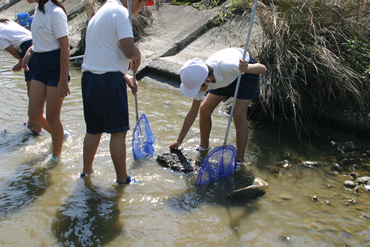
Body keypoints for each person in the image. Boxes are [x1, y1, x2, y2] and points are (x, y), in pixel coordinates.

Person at [80, 0, 155, 184]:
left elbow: (103, 54)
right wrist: (137, 56)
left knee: (93, 130)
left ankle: (86, 172)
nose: (142, 9)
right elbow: (129, 50)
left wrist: (125, 76)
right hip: (108, 83)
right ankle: (123, 180)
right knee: (119, 132)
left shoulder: (101, 12)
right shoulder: (121, 12)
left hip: (90, 80)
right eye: (143, 4)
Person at [169, 47, 267, 164]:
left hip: (244, 75)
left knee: (238, 116)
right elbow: (192, 113)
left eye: (197, 89)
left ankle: (239, 160)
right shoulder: (199, 77)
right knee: (204, 110)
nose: (197, 92)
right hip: (222, 80)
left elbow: (263, 68)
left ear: (207, 81)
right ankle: (204, 146)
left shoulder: (228, 66)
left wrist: (247, 68)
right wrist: (179, 140)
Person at [22, 0, 70, 162]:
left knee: (52, 117)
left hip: (55, 67)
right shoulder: (38, 9)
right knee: (34, 114)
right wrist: (29, 52)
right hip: (39, 64)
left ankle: (56, 156)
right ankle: (60, 135)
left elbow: (65, 48)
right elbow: (40, 40)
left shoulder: (56, 12)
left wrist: (63, 80)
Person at [0, 19, 41, 134]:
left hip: (29, 48)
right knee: (33, 93)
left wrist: (21, 61)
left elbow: (14, 52)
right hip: (37, 44)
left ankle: (37, 131)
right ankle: (31, 123)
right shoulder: (5, 22)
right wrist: (21, 62)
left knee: (33, 95)